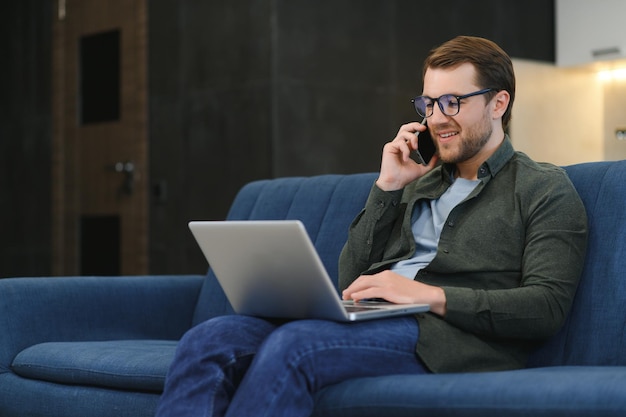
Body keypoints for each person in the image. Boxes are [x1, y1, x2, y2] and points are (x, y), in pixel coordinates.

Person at [155, 35, 588, 417]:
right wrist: (386, 187)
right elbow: (349, 280)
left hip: (445, 340)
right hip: (374, 319)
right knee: (209, 338)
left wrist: (427, 295)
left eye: (453, 102)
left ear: (499, 102)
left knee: (296, 347)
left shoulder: (543, 189)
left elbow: (545, 307)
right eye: (429, 103)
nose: (436, 118)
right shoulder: (421, 184)